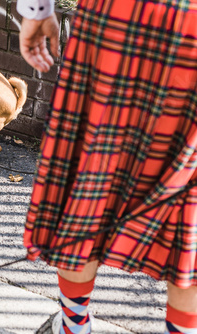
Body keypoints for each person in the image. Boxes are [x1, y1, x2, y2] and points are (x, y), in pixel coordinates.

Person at [17, 0, 197, 333]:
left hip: (120, 14)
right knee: (192, 207)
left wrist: (36, 11)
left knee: (90, 175)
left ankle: (73, 326)